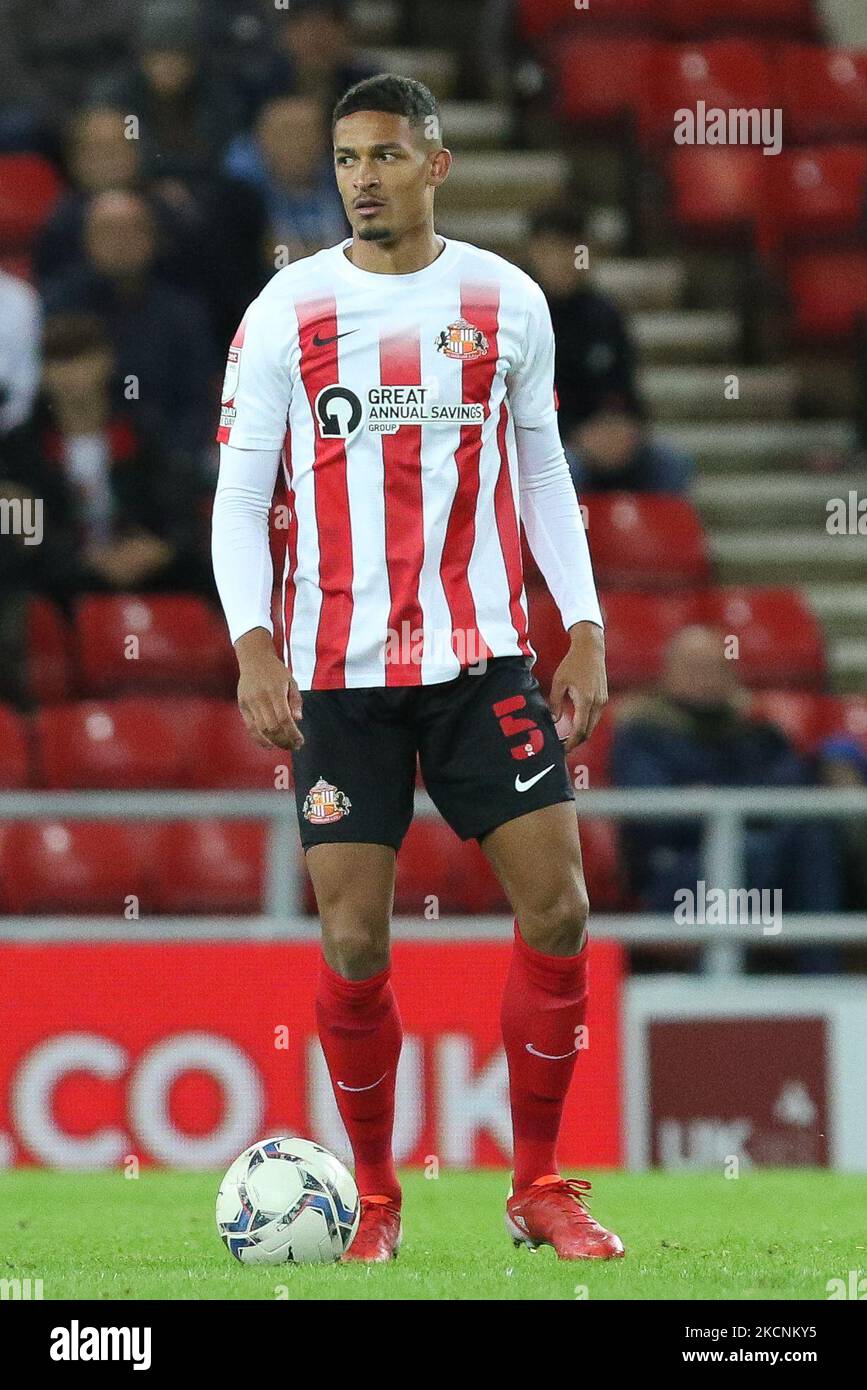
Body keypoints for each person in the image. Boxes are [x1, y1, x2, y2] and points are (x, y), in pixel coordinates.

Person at [211, 74, 623, 1263]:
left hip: (482, 661)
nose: (363, 178)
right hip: (338, 674)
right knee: (354, 942)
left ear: (436, 165)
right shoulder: (286, 311)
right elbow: (242, 498)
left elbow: (542, 472)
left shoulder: (507, 301)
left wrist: (581, 622)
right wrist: (253, 642)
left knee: (559, 906)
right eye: (346, 159)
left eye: (386, 155)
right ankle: (377, 1201)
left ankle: (537, 1184)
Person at [611, 626, 842, 931]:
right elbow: (656, 818)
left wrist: (712, 800)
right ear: (667, 673)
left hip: (767, 856)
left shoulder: (756, 732)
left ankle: (822, 973)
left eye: (714, 667)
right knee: (750, 852)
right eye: (692, 667)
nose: (703, 677)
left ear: (730, 674)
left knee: (813, 836)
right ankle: (719, 972)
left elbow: (793, 786)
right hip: (676, 872)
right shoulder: (642, 734)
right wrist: (742, 808)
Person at [525, 204, 694, 494]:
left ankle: (647, 540)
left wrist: (628, 428)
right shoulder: (518, 315)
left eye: (573, 249)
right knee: (567, 471)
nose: (565, 260)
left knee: (672, 465)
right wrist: (575, 435)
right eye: (555, 250)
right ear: (535, 253)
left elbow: (627, 389)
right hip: (553, 443)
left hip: (608, 437)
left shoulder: (605, 315)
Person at [223, 95, 348, 262]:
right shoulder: (241, 207)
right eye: (287, 134)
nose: (300, 144)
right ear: (261, 141)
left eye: (309, 133)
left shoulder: (349, 189)